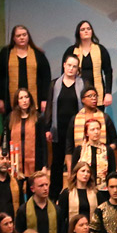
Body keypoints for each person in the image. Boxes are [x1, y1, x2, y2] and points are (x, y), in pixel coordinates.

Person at [44, 54, 84, 195]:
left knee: (77, 163)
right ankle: (55, 195)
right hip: (58, 130)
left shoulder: (82, 84)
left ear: (77, 68)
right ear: (64, 65)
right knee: (57, 163)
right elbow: (49, 106)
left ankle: (76, 192)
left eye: (74, 66)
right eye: (69, 65)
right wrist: (47, 128)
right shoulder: (54, 84)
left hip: (76, 131)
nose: (71, 69)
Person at [0, 24, 51, 115]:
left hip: (34, 101)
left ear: (28, 36)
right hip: (10, 102)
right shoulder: (6, 53)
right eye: (18, 36)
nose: (22, 38)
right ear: (13, 38)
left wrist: (44, 99)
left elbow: (46, 78)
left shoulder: (38, 54)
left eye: (24, 35)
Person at [63, 20, 114, 105]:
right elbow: (64, 74)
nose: (86, 31)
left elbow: (108, 72)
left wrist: (108, 93)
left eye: (88, 29)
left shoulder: (101, 50)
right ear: (78, 33)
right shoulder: (71, 50)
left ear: (92, 32)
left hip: (97, 92)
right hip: (76, 92)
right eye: (82, 29)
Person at [2, 88, 47, 182]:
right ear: (17, 101)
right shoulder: (10, 118)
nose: (24, 100)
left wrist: (44, 165)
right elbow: (4, 139)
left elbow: (43, 143)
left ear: (30, 99)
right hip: (15, 163)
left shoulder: (38, 118)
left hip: (35, 162)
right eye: (21, 98)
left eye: (26, 97)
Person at [72, 117, 115, 190]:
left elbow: (112, 172)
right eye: (92, 129)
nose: (96, 132)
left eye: (98, 129)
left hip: (103, 190)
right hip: (84, 189)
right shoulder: (80, 150)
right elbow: (74, 171)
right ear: (86, 133)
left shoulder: (108, 150)